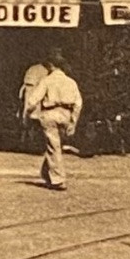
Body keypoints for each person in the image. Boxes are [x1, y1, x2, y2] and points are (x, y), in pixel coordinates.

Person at [24, 52, 83, 191]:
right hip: (66, 114)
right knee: (56, 146)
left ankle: (58, 179)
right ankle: (47, 173)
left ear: (51, 66)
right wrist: (73, 122)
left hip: (50, 114)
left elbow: (33, 99)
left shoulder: (47, 80)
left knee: (53, 146)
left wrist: (28, 113)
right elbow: (78, 103)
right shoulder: (71, 82)